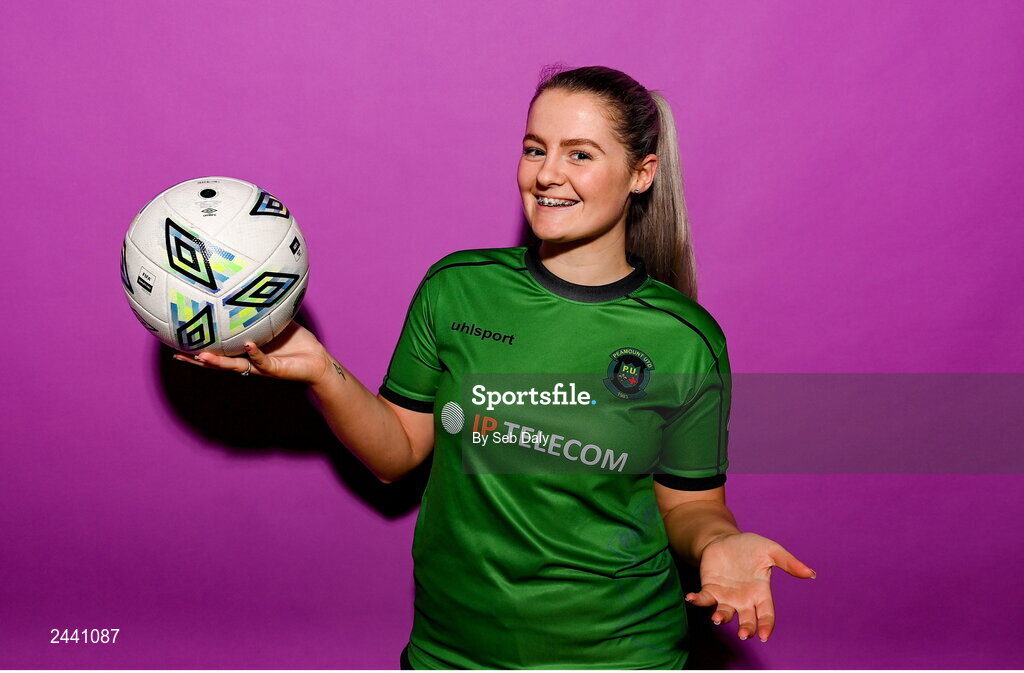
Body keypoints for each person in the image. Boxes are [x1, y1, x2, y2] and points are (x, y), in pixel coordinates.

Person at [174, 65, 815, 669]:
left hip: (619, 654)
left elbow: (689, 506)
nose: (547, 173)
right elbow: (397, 453)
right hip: (453, 649)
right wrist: (321, 370)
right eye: (536, 148)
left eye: (580, 154)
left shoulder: (684, 338)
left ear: (642, 174)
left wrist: (717, 544)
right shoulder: (457, 287)